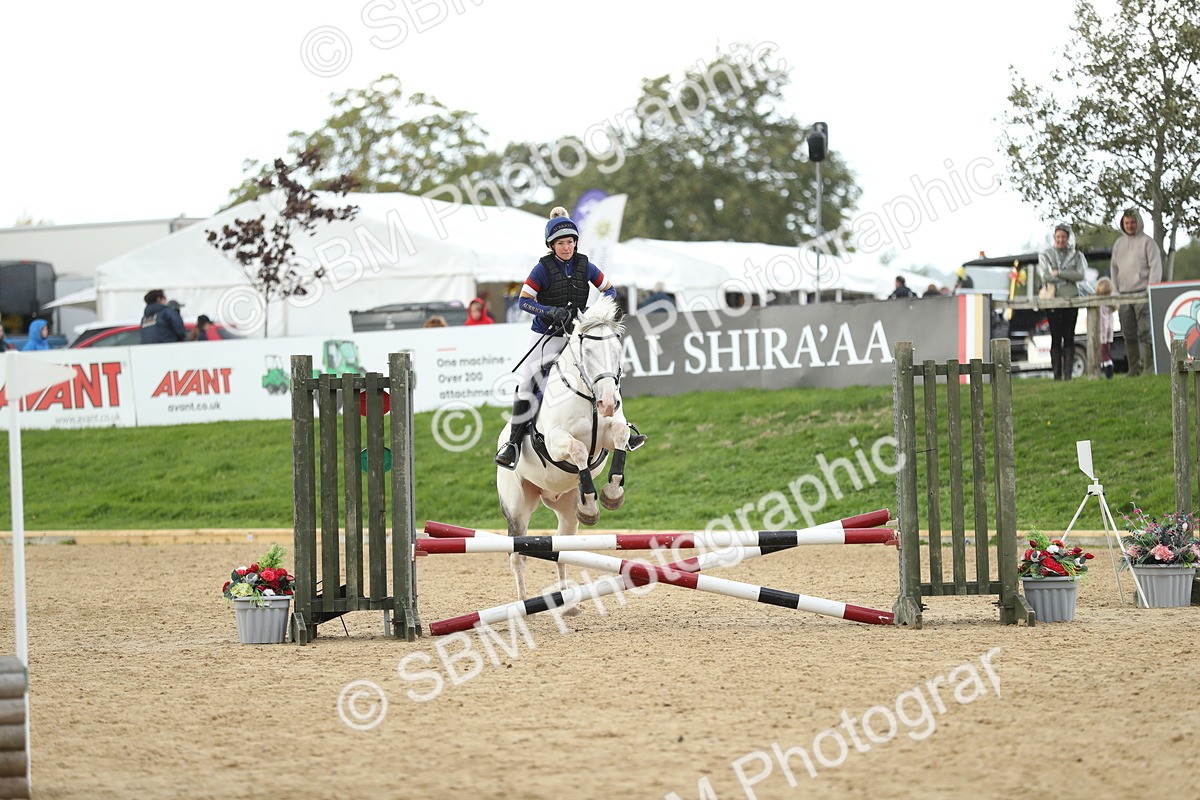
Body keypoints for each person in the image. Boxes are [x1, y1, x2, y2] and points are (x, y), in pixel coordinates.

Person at [494, 206, 632, 470]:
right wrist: (550, 311)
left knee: (605, 371)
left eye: (570, 242)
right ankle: (512, 444)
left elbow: (610, 291)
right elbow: (524, 301)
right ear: (552, 245)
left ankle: (624, 426)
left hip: (579, 334)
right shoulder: (542, 269)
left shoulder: (585, 265)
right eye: (561, 243)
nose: (566, 247)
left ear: (575, 242)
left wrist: (592, 316)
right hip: (548, 334)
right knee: (527, 382)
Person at [1111, 208, 1163, 376]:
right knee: (1128, 333)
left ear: (1138, 222)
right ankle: (1133, 369)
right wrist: (1115, 291)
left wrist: (1151, 288)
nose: (1130, 225)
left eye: (1133, 222)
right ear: (1123, 224)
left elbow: (1156, 266)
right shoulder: (1118, 244)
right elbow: (1114, 269)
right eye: (1127, 223)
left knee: (1145, 332)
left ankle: (1149, 368)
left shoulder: (1148, 242)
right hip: (1124, 295)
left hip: (1143, 294)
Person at [1037, 223, 1086, 381]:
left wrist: (1060, 273)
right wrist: (1067, 276)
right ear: (1054, 238)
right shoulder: (1046, 254)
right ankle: (1057, 376)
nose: (1060, 240)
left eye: (1063, 237)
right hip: (1053, 300)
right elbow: (1045, 276)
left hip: (1072, 298)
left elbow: (1080, 275)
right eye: (1058, 237)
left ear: (1067, 238)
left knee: (1069, 336)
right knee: (1056, 337)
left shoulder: (1076, 255)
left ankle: (1068, 375)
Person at [1095, 276, 1116, 379]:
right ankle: (1107, 368)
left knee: (1103, 352)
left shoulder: (1101, 305)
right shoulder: (1110, 304)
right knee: (1106, 350)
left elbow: (1103, 321)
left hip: (1102, 331)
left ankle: (1108, 370)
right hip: (1108, 332)